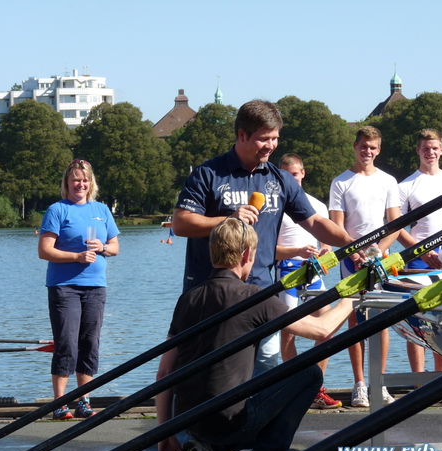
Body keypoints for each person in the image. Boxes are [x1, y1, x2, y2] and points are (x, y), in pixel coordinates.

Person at [172, 99, 356, 376]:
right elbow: (181, 224)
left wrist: (353, 244)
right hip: (210, 294)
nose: (270, 145)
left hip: (260, 293)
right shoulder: (207, 174)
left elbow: (316, 222)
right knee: (208, 376)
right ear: (242, 135)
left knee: (264, 374)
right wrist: (228, 219)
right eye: (263, 139)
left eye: (275, 138)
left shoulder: (281, 180)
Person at [156, 218, 354, 451]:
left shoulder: (188, 298)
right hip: (228, 422)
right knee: (310, 374)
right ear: (247, 254)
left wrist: (163, 433)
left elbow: (164, 373)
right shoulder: (253, 297)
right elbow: (321, 329)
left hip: (189, 423)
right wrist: (350, 297)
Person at [38, 159, 120, 420]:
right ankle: (59, 403)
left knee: (89, 343)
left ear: (91, 183)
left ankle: (83, 401)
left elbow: (115, 247)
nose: (80, 184)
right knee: (67, 344)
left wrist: (102, 248)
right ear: (67, 183)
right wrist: (76, 257)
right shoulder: (57, 210)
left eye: (84, 180)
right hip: (64, 287)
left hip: (96, 288)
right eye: (75, 180)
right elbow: (44, 251)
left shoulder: (102, 210)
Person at [329, 126, 401, 407]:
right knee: (354, 321)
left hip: (378, 258)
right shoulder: (341, 182)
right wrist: (356, 252)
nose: (367, 152)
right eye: (363, 146)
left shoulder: (388, 181)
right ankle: (359, 383)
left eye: (372, 148)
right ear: (355, 146)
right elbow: (336, 225)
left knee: (381, 322)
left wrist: (375, 252)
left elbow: (394, 224)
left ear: (378, 150)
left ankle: (378, 383)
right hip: (351, 259)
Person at [397, 129, 442, 373]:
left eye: (435, 148)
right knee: (417, 320)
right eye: (426, 148)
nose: (431, 153)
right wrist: (421, 252)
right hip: (417, 259)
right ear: (418, 150)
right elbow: (396, 228)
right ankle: (419, 380)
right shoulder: (405, 185)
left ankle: (441, 378)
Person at [275, 153, 341, 410]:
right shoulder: (275, 207)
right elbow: (267, 251)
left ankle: (314, 385)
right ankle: (293, 385)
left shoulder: (318, 206)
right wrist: (296, 252)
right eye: (284, 175)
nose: (290, 179)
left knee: (330, 325)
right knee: (289, 330)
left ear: (302, 174)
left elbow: (327, 245)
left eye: (294, 174)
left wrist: (325, 252)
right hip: (287, 273)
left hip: (312, 273)